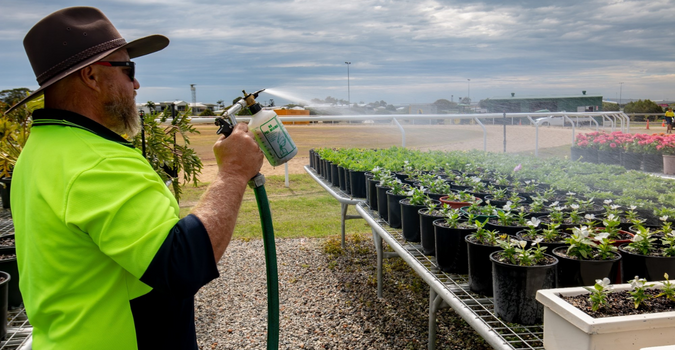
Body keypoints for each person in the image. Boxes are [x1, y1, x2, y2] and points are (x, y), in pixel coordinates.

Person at [7, 7, 263, 350]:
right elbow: (181, 263)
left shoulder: (42, 147)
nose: (136, 84)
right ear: (91, 77)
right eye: (128, 69)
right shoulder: (96, 162)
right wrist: (232, 172)